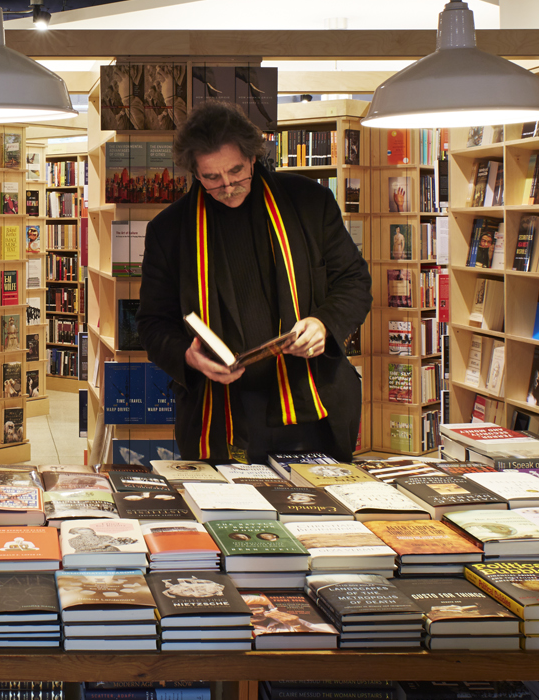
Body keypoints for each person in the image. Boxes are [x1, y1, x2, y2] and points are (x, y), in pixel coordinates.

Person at [136, 101, 371, 462]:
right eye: (212, 178)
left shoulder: (309, 201)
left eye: (236, 172)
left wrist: (324, 324)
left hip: (313, 403)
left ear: (253, 158)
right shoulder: (169, 231)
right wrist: (188, 357)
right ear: (194, 173)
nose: (228, 187)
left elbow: (354, 281)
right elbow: (152, 323)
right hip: (220, 412)